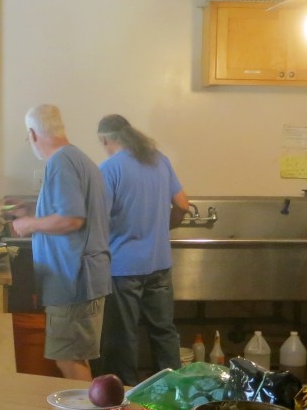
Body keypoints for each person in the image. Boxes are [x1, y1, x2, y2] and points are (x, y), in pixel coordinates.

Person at [10, 104, 111, 380]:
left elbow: (72, 219)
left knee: (68, 358)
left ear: (33, 133)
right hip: (81, 279)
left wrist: (29, 224)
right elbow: (72, 212)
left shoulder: (60, 162)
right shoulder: (78, 159)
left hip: (74, 280)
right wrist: (33, 209)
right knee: (74, 356)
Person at [95, 114, 190, 385]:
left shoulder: (110, 168)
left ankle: (126, 396)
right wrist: (162, 229)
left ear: (105, 139)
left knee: (123, 336)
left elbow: (100, 218)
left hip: (123, 267)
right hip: (159, 263)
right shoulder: (159, 159)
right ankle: (174, 390)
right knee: (164, 331)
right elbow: (183, 205)